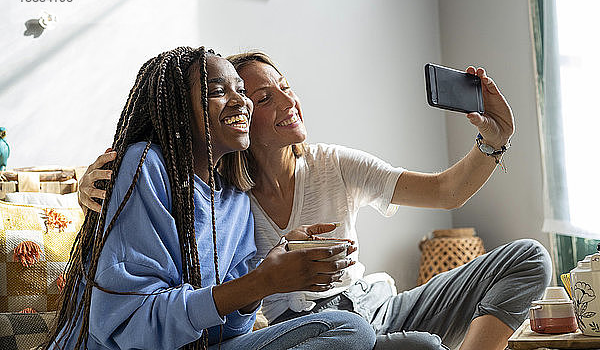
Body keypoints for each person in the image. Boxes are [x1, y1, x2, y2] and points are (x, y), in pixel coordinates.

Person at [80, 51, 552, 350]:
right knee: (414, 346)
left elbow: (445, 190)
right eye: (263, 97)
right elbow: (150, 203)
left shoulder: (330, 165)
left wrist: (495, 139)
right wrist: (89, 186)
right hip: (310, 325)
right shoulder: (224, 191)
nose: (283, 101)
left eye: (281, 87)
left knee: (528, 257)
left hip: (374, 307)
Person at [45, 47, 376, 350]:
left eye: (242, 92)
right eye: (218, 92)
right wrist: (261, 281)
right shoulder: (145, 165)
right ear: (177, 108)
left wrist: (260, 284)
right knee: (350, 330)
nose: (239, 101)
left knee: (365, 333)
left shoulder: (235, 197)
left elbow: (228, 332)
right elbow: (129, 325)